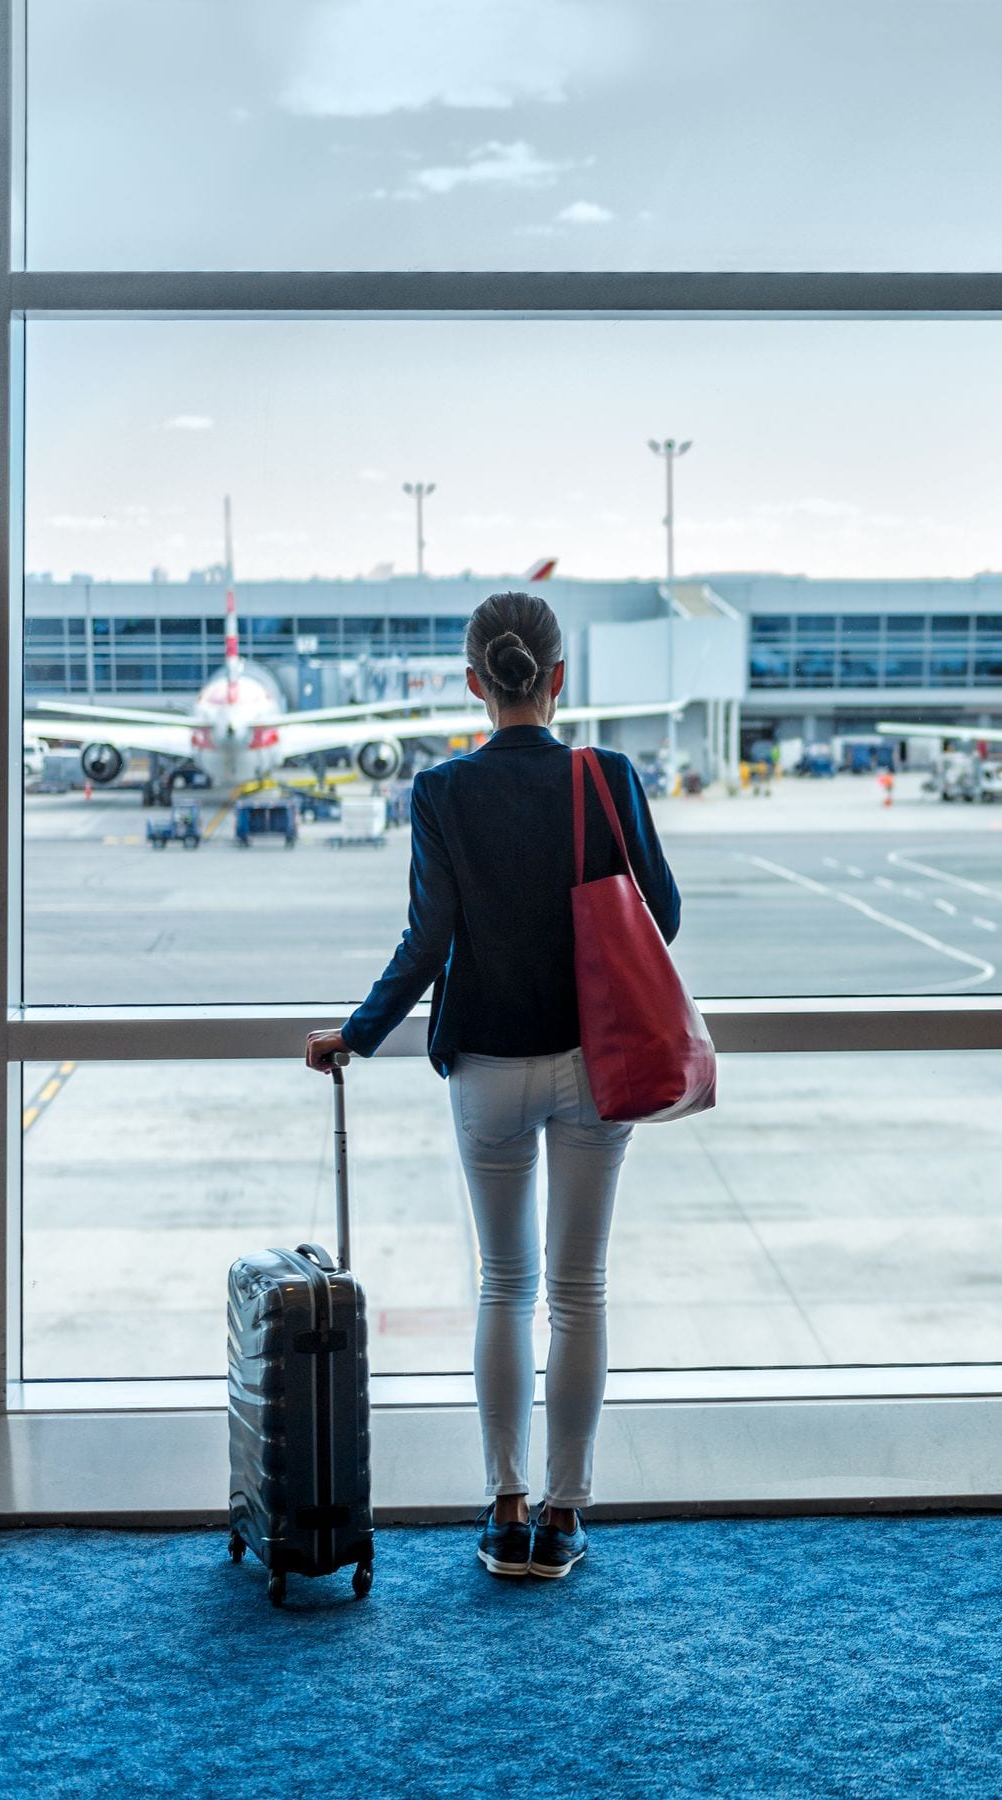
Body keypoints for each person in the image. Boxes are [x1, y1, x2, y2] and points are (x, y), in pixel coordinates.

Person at [306, 591, 681, 1581]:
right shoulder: (607, 777)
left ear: (476, 684)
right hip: (597, 1068)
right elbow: (665, 919)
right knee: (579, 1290)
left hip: (487, 1070)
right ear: (561, 679)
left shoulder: (441, 794)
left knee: (504, 1285)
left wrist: (357, 1033)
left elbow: (427, 944)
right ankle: (565, 1516)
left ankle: (505, 1508)